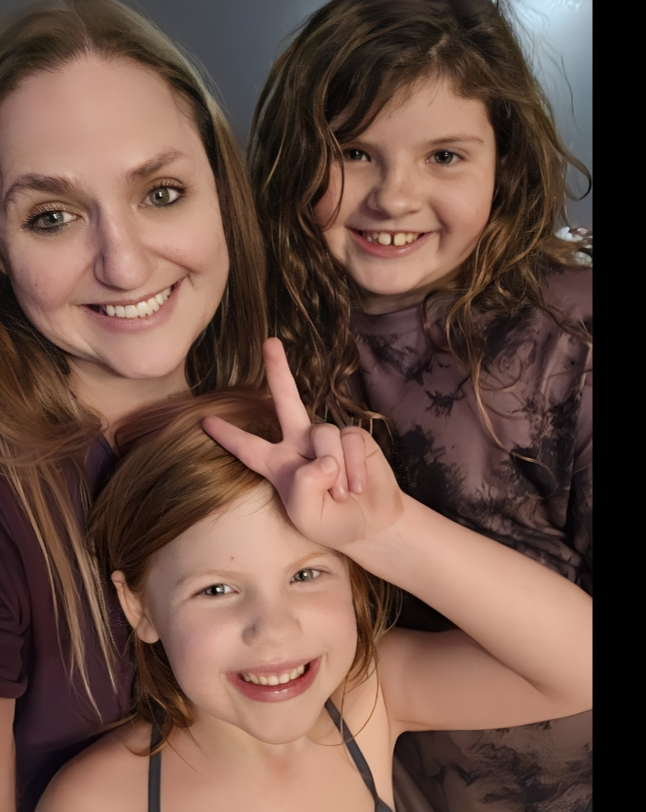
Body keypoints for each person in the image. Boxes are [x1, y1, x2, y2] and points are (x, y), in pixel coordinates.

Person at [247, 0, 594, 812]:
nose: (394, 197)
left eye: (444, 155)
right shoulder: (266, 336)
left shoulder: (572, 339)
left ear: (504, 164)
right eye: (354, 152)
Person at [0, 0, 268, 812]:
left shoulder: (282, 421)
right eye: (52, 216)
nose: (124, 263)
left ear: (221, 192)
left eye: (161, 193)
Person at [38, 340, 592, 811]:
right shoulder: (98, 798)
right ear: (138, 607)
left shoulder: (370, 698)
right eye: (216, 589)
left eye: (305, 575)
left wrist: (390, 532)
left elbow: (580, 664)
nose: (274, 629)